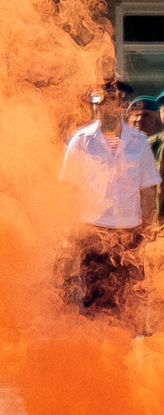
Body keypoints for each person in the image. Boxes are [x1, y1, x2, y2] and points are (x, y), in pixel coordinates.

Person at [59, 79, 158, 322]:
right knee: (94, 296)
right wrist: (67, 231)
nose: (104, 108)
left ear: (122, 105)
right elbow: (68, 189)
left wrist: (147, 228)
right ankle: (96, 349)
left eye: (111, 102)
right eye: (98, 103)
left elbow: (147, 190)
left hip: (129, 232)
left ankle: (122, 347)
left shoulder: (139, 142)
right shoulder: (81, 141)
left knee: (126, 297)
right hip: (93, 230)